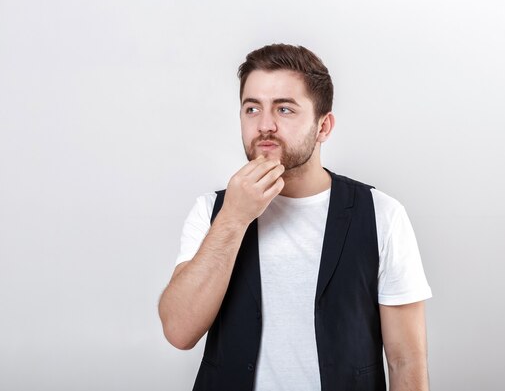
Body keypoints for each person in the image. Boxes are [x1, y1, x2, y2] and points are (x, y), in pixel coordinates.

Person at [158, 43, 433, 391]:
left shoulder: (381, 214)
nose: (265, 125)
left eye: (284, 109)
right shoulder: (212, 212)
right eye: (252, 109)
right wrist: (233, 219)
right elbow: (178, 331)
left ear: (323, 126)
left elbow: (405, 359)